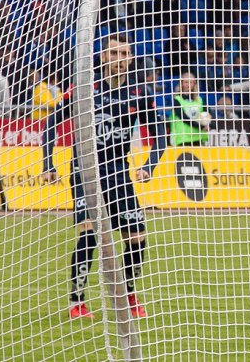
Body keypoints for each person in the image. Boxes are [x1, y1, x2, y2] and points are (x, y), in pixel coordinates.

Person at [41, 33, 158, 320]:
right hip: (86, 171)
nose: (120, 60)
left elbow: (161, 135)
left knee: (137, 237)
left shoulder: (139, 93)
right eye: (114, 54)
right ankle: (77, 302)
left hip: (119, 173)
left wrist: (148, 165)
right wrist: (48, 164)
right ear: (103, 57)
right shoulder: (84, 88)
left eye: (125, 54)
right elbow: (50, 124)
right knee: (90, 233)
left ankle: (128, 296)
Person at [168, 71, 211, 147]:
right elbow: (183, 117)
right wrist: (201, 127)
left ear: (194, 84)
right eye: (186, 82)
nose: (188, 85)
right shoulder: (177, 99)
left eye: (191, 82)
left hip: (198, 137)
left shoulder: (199, 99)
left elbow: (208, 112)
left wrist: (207, 123)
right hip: (183, 139)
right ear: (181, 83)